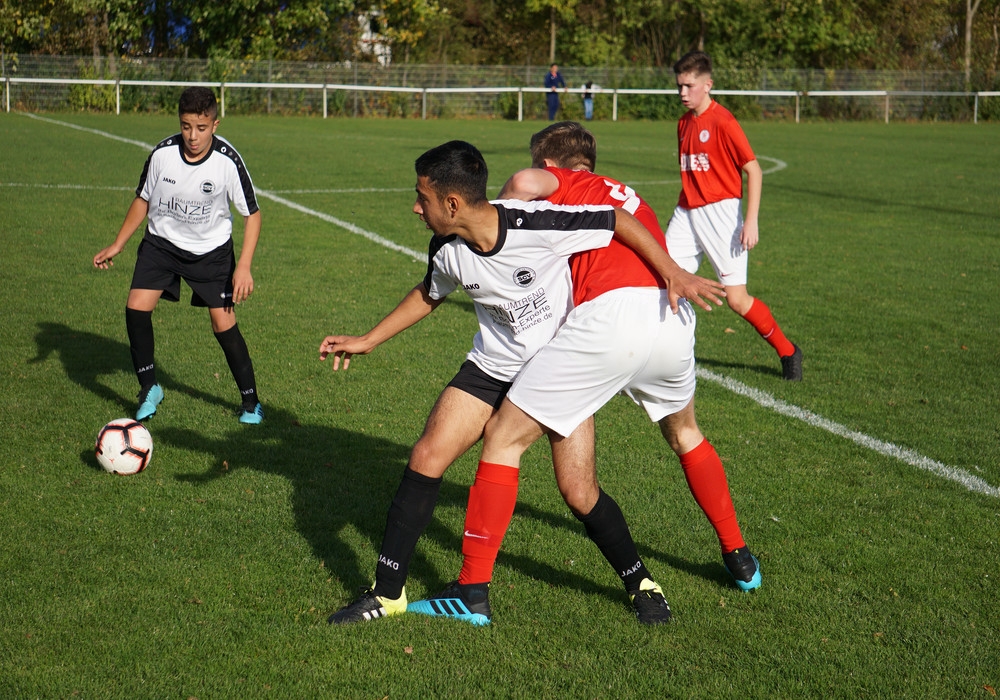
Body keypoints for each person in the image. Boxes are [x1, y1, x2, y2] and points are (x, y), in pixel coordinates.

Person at [323, 140, 725, 626]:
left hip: (556, 369)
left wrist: (673, 272)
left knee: (578, 492)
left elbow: (616, 219)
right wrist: (369, 340)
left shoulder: (534, 223)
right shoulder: (446, 248)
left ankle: (640, 580)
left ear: (452, 203)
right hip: (490, 367)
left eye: (421, 197)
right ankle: (388, 594)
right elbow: (430, 291)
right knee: (427, 456)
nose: (415, 207)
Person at [93, 86, 264, 424]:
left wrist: (243, 266)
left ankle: (251, 402)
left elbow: (253, 215)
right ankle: (149, 388)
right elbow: (143, 199)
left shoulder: (227, 161)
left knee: (223, 324)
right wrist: (118, 243)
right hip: (162, 245)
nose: (193, 136)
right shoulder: (163, 154)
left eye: (201, 128)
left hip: (211, 252)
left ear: (215, 124)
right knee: (136, 308)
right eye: (186, 126)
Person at [669, 50, 802, 381]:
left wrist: (750, 220)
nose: (683, 93)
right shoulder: (683, 123)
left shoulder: (724, 122)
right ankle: (666, 356)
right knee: (665, 279)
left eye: (689, 86)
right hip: (687, 212)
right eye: (679, 86)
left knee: (738, 301)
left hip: (722, 216)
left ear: (707, 85)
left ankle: (788, 351)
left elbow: (753, 170)